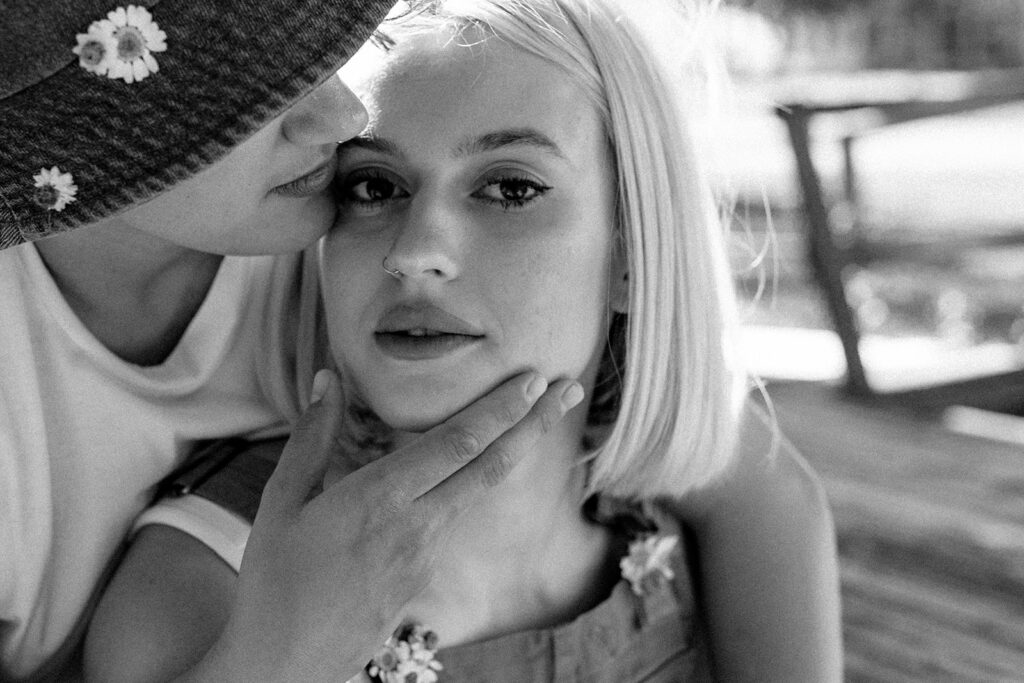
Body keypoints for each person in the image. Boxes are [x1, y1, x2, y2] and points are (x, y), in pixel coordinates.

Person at [85, 0, 843, 680]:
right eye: (374, 187)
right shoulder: (200, 591)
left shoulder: (693, 525)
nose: (414, 253)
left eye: (511, 188)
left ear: (632, 256)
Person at [0, 2, 583, 681]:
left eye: (324, 53)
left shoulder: (342, 228)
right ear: (68, 127)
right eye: (243, 80)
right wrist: (276, 660)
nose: (344, 117)